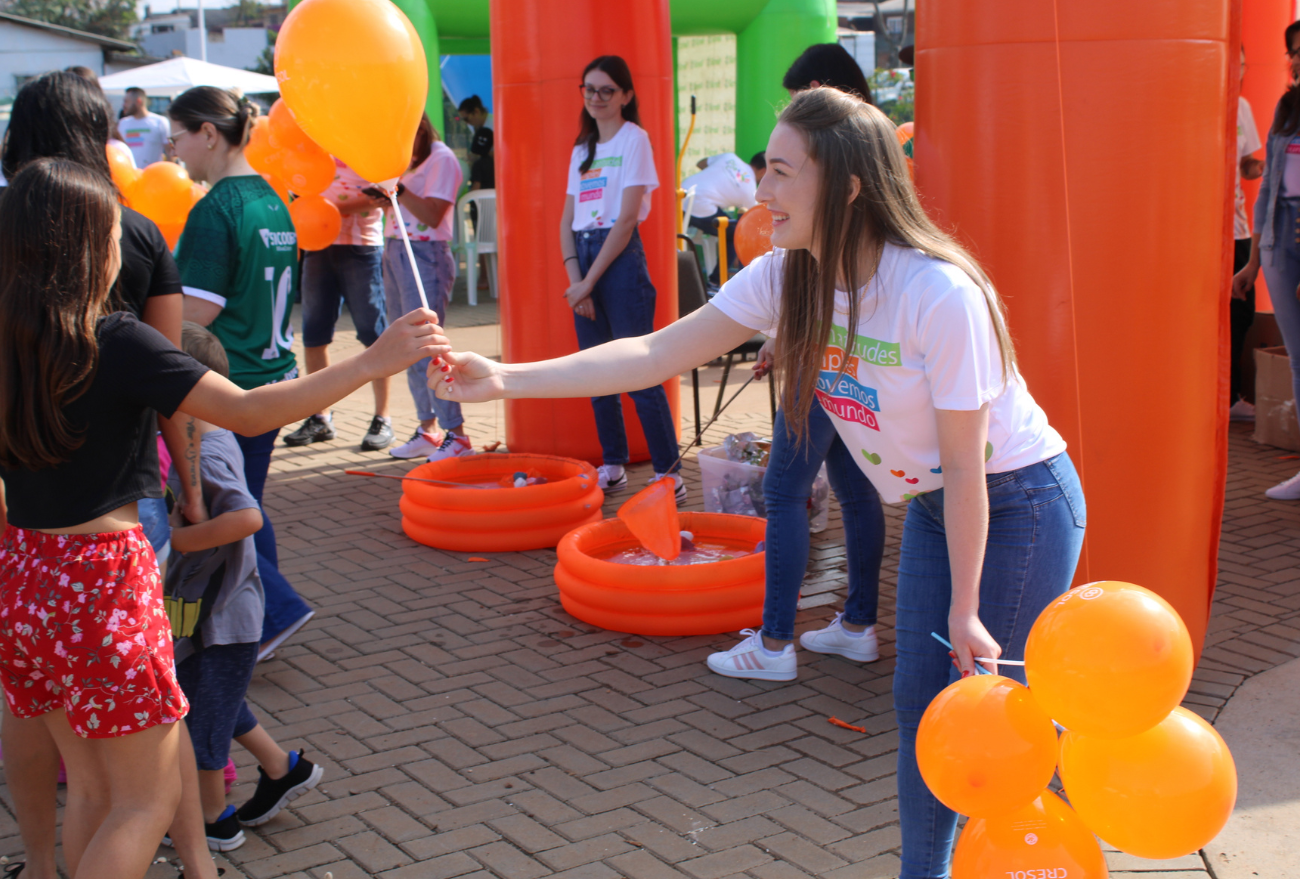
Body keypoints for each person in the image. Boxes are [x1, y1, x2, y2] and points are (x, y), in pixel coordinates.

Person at [436, 88, 1085, 879]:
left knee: (996, 724)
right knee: (924, 718)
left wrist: (966, 608)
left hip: (1015, 499)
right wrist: (502, 377)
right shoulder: (788, 276)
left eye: (780, 172)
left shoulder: (939, 293)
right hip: (936, 503)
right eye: (762, 171)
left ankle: (1039, 860)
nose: (761, 191)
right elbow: (651, 354)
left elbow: (969, 466)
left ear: (846, 184)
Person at [0, 157, 444, 879]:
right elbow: (246, 408)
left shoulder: (13, 345)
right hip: (99, 584)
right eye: (112, 231)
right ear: (87, 245)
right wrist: (374, 361)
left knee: (91, 787)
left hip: (24, 578)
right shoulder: (115, 340)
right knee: (143, 802)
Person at [0, 73, 217, 879]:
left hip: (25, 553)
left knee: (92, 775)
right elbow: (196, 391)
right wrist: (190, 483)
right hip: (105, 558)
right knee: (145, 788)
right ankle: (198, 863)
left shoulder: (13, 299)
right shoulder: (123, 310)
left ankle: (37, 858)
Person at [705, 63, 888, 683]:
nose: (763, 192)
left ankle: (776, 640)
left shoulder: (928, 284)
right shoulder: (796, 260)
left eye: (781, 173)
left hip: (825, 370)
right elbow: (818, 280)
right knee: (855, 490)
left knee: (785, 491)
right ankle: (858, 624)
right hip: (832, 365)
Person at [168, 86, 314, 658]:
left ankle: (268, 616)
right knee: (246, 501)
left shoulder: (216, 211)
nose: (175, 151)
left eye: (177, 137)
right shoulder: (270, 200)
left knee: (234, 508)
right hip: (272, 374)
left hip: (234, 386)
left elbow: (196, 316)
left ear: (207, 133)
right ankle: (262, 621)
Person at [169, 323, 324, 852]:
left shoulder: (209, 451)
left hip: (225, 615)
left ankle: (216, 821)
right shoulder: (204, 439)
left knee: (204, 725)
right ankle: (283, 768)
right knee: (206, 700)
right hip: (200, 610)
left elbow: (247, 518)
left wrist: (182, 539)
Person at [561, 55, 682, 501]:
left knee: (638, 370)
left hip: (619, 260)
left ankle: (669, 473)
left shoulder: (636, 140)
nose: (596, 98)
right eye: (588, 89)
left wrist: (587, 282)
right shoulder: (581, 148)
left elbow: (627, 219)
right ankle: (612, 464)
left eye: (606, 90)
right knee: (596, 373)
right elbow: (566, 222)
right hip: (587, 260)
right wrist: (577, 282)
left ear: (626, 96)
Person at [283, 159, 394, 451]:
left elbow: (383, 195)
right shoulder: (317, 146)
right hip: (317, 245)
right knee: (314, 335)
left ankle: (382, 417)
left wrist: (327, 212)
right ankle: (320, 417)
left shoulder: (363, 146)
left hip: (361, 247)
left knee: (374, 336)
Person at [383, 113, 474, 463]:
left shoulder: (443, 158)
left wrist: (398, 189)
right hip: (394, 247)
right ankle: (428, 430)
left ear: (417, 129)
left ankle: (458, 436)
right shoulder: (406, 159)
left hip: (425, 252)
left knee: (429, 346)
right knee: (407, 347)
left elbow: (433, 215)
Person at [1235, 19, 1300, 500]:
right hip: (1279, 244)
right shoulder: (1287, 108)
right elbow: (1266, 195)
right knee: (1299, 359)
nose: (1295, 58)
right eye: (1292, 51)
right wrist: (1253, 263)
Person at [1231, 47, 1265, 422]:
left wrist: (1261, 167)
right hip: (1199, 230)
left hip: (1237, 228)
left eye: (1243, 64)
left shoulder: (1241, 106)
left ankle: (1232, 395)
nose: (1238, 71)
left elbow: (1246, 164)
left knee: (1242, 312)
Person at [683, 152, 759, 284]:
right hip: (699, 206)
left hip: (682, 193)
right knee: (737, 234)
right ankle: (716, 281)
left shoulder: (730, 157)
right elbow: (751, 221)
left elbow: (700, 163)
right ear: (764, 169)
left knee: (727, 222)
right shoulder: (751, 190)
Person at [459, 94, 495, 293]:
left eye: (466, 118)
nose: (467, 123)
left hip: (487, 193)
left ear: (476, 112)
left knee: (482, 233)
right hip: (495, 193)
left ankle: (485, 277)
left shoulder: (490, 129)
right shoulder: (488, 127)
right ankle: (489, 277)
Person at [782, 43, 873, 103]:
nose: (793, 112)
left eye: (797, 104)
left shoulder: (819, 129)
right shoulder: (875, 123)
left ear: (815, 89)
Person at [117, 86, 171, 167]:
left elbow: (170, 151)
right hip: (129, 176)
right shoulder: (123, 123)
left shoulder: (160, 121)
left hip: (152, 176)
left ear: (139, 101)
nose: (123, 105)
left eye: (126, 102)